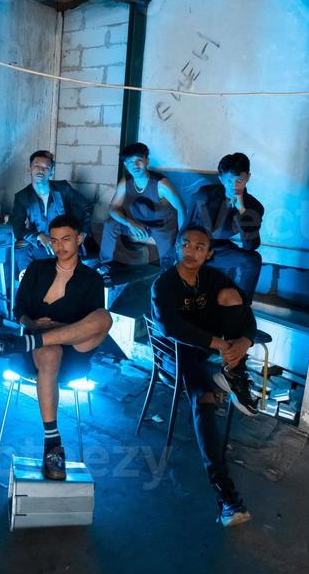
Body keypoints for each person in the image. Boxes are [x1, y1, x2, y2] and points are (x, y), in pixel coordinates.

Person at [0, 214, 112, 481]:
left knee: (104, 318)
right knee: (50, 352)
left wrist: (58, 327)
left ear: (79, 239)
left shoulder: (91, 279)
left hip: (76, 347)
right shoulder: (37, 270)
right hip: (39, 352)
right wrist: (31, 323)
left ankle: (26, 342)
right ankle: (53, 443)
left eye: (66, 239)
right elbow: (20, 311)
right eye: (54, 240)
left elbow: (92, 322)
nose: (60, 246)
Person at [151, 225, 259, 527]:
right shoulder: (164, 284)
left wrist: (243, 341)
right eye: (186, 244)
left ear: (208, 253)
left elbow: (245, 311)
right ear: (177, 248)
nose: (191, 251)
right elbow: (171, 328)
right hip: (176, 353)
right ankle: (226, 496)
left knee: (230, 296)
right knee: (205, 400)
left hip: (208, 347)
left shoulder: (211, 278)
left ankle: (234, 374)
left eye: (199, 247)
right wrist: (220, 344)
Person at [97, 142, 185, 284]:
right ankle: (104, 267)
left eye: (139, 160)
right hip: (138, 223)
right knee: (110, 224)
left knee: (169, 266)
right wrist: (130, 223)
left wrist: (181, 237)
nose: (135, 165)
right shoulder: (126, 182)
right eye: (130, 162)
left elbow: (181, 208)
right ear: (126, 165)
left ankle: (166, 280)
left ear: (147, 161)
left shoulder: (161, 184)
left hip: (162, 227)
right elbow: (113, 208)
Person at [187, 152, 264, 304]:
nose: (234, 186)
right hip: (195, 248)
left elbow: (251, 245)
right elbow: (186, 227)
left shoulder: (254, 206)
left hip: (219, 250)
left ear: (248, 177)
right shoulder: (205, 194)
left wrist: (242, 211)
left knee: (254, 259)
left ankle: (241, 310)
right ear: (221, 179)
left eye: (239, 180)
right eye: (229, 181)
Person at [11, 150, 95, 274]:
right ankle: (27, 281)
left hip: (66, 241)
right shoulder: (22, 197)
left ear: (52, 172)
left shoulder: (62, 189)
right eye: (37, 166)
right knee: (20, 248)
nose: (41, 170)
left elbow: (86, 206)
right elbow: (17, 227)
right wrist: (39, 236)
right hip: (42, 244)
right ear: (30, 169)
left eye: (46, 167)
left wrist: (83, 232)